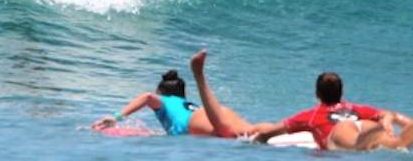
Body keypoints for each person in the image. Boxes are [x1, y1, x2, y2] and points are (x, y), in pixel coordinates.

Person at [91, 50, 277, 138]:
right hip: (213, 114)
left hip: (199, 121)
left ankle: (198, 73)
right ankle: (280, 129)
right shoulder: (186, 104)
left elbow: (147, 97)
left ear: (161, 91)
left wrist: (116, 117)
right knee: (250, 131)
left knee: (237, 134)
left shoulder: (164, 100)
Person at [254, 72, 413, 151]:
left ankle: (380, 125)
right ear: (342, 93)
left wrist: (254, 145)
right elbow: (395, 115)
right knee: (399, 143)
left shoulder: (311, 115)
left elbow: (270, 133)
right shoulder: (355, 108)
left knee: (355, 146)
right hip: (363, 124)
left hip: (342, 131)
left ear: (317, 94)